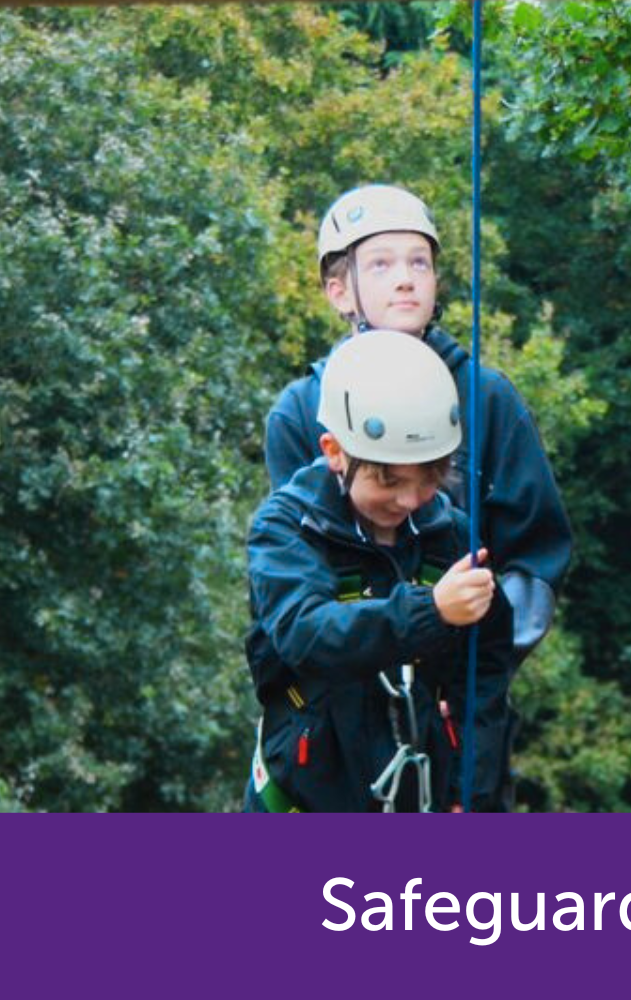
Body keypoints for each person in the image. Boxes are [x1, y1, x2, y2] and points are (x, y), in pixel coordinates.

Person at [265, 184, 573, 803]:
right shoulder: (303, 410)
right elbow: (303, 566)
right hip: (334, 702)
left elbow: (534, 558)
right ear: (339, 290)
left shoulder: (487, 398)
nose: (405, 280)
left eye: (419, 263)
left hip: (452, 698)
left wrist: (469, 656)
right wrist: (405, 625)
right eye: (380, 264)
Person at [245, 330, 511, 812]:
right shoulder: (286, 529)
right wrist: (431, 611)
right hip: (305, 802)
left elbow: (485, 676)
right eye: (388, 480)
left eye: (430, 477)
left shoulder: (449, 535)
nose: (409, 500)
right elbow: (307, 634)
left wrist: (471, 792)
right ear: (334, 452)